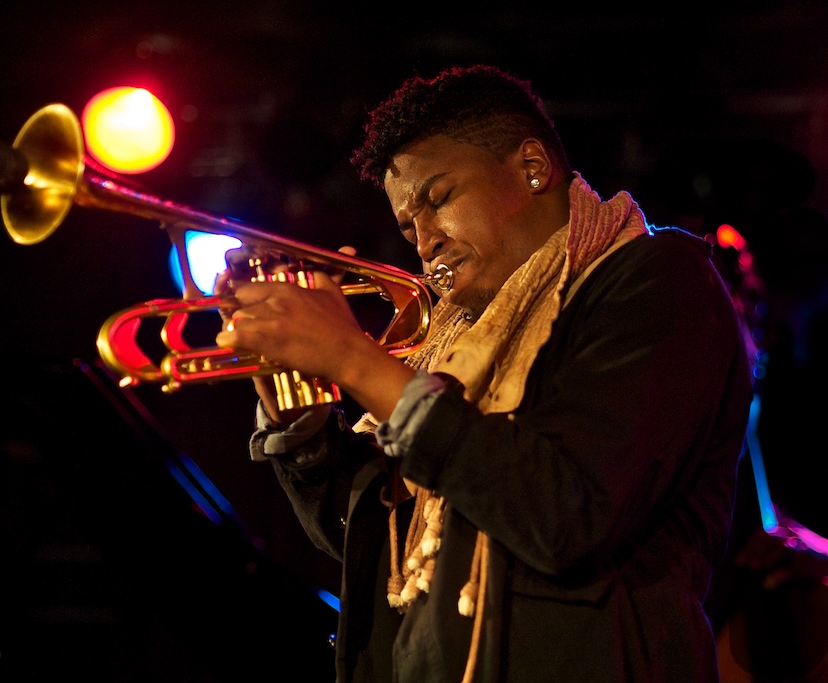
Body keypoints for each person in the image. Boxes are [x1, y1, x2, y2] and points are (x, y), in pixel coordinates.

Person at [214, 65, 755, 682]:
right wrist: (300, 413)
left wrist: (352, 359)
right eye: (407, 226)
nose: (424, 242)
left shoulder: (657, 281)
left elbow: (566, 515)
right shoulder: (452, 344)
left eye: (438, 199)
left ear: (532, 167)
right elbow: (380, 546)